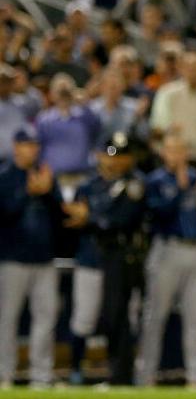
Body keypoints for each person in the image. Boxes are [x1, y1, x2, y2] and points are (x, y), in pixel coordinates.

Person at [136, 134, 196, 387]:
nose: (176, 155)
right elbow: (158, 213)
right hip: (166, 249)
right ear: (164, 153)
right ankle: (145, 375)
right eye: (171, 150)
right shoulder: (155, 180)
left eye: (181, 150)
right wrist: (182, 189)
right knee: (155, 316)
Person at [65, 132, 148, 385]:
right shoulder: (88, 186)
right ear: (100, 155)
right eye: (110, 154)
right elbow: (73, 220)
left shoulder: (134, 184)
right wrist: (92, 219)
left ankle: (122, 373)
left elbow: (121, 219)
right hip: (91, 256)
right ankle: (75, 371)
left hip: (123, 259)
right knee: (84, 317)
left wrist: (91, 218)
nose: (115, 161)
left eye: (121, 156)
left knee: (122, 317)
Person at [0, 127, 64, 388]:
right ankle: (5, 374)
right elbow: (4, 215)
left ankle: (41, 375)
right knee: (7, 319)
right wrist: (28, 192)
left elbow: (60, 217)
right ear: (16, 146)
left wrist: (47, 193)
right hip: (13, 259)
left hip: (44, 259)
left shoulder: (47, 175)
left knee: (46, 319)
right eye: (28, 145)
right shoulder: (5, 176)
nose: (33, 150)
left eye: (36, 145)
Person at [149, 51, 196, 168]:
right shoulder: (166, 93)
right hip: (170, 160)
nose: (193, 72)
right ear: (181, 69)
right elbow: (157, 128)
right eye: (189, 68)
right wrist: (169, 130)